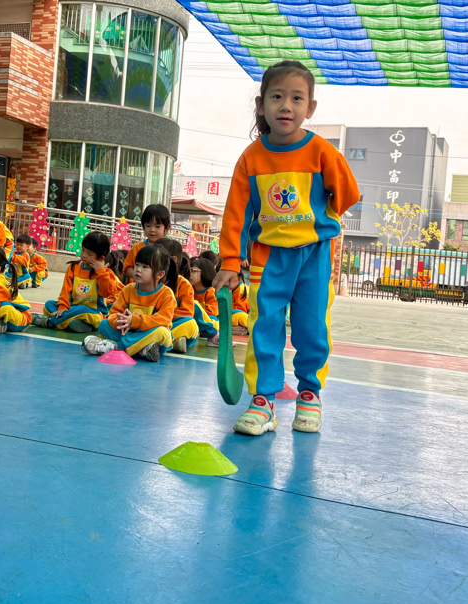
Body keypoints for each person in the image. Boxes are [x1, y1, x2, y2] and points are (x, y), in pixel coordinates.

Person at [211, 60, 360, 436]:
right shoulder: (251, 158)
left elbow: (347, 194)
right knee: (265, 327)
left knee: (312, 327)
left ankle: (310, 394)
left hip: (314, 256)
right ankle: (263, 401)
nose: (286, 106)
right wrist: (230, 261)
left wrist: (321, 216)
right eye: (277, 97)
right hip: (268, 258)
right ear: (261, 105)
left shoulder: (322, 151)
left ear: (310, 108)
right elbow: (236, 214)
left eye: (297, 98)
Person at [82, 244, 176, 362]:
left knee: (163, 333)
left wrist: (135, 321)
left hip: (150, 334)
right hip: (128, 332)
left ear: (160, 274)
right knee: (104, 324)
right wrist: (120, 321)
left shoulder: (166, 294)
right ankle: (142, 350)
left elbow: (164, 320)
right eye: (137, 264)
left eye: (145, 267)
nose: (138, 269)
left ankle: (116, 347)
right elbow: (113, 314)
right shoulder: (128, 289)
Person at [34, 232, 123, 333]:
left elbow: (106, 293)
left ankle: (50, 322)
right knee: (49, 305)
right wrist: (63, 306)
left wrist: (100, 272)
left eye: (89, 254)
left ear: (100, 258)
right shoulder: (73, 268)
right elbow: (66, 290)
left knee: (83, 310)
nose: (84, 255)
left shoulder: (106, 273)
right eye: (83, 250)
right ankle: (78, 324)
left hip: (93, 312)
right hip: (72, 308)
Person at [154, 238, 200, 353]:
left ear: (173, 260)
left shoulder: (184, 285)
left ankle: (162, 341)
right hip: (149, 325)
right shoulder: (147, 281)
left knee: (190, 324)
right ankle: (169, 341)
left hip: (170, 324)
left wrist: (164, 315)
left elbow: (187, 313)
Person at [123, 204, 171, 281]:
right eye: (148, 226)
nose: (152, 230)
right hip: (139, 287)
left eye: (157, 226)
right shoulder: (137, 247)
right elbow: (128, 268)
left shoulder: (169, 248)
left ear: (167, 228)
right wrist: (140, 277)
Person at [188, 256, 221, 345]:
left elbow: (211, 312)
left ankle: (213, 335)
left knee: (212, 319)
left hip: (210, 322)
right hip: (196, 321)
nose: (189, 274)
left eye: (193, 270)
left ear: (204, 272)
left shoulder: (211, 291)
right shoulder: (189, 290)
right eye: (188, 271)